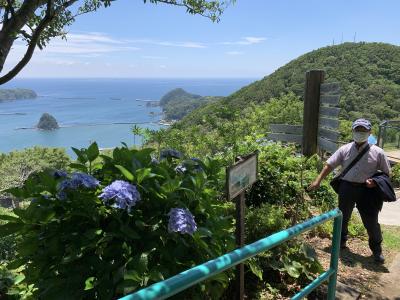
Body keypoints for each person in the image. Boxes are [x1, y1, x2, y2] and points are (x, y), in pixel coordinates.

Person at [308, 118, 391, 263]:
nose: (360, 133)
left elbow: (386, 173)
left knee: (371, 221)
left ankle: (377, 250)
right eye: (357, 130)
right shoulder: (344, 149)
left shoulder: (378, 152)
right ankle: (340, 243)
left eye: (363, 131)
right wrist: (318, 180)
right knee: (342, 217)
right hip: (347, 187)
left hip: (367, 191)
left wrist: (375, 183)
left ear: (369, 132)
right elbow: (329, 165)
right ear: (353, 131)